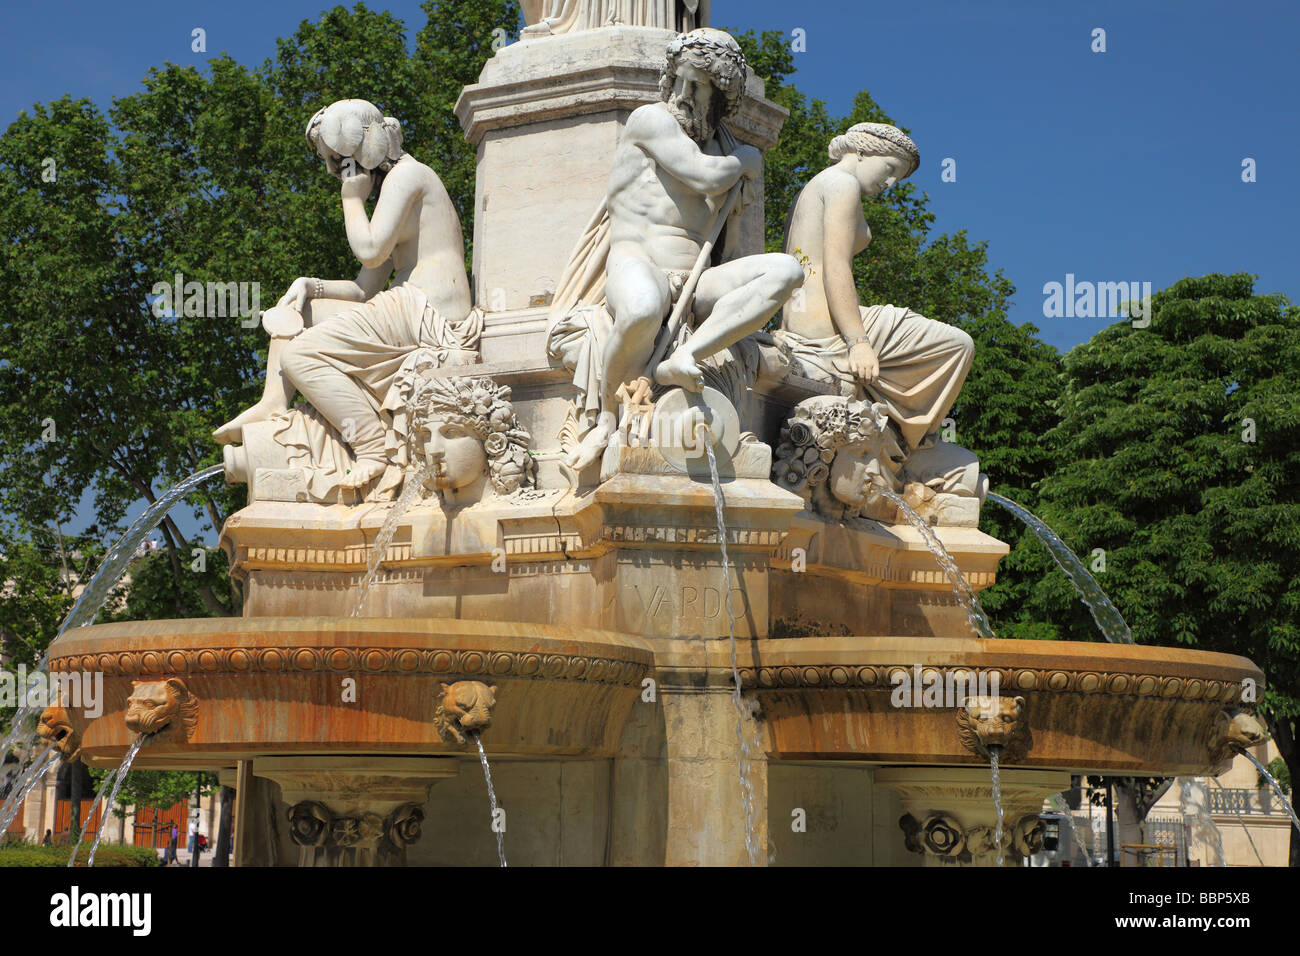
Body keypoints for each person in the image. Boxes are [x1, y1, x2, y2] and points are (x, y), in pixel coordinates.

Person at [550, 29, 803, 470]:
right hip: (638, 260)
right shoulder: (651, 120)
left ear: (721, 94)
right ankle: (609, 415)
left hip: (697, 279)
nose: (683, 94)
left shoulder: (723, 146)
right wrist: (745, 161)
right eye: (679, 81)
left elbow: (738, 247)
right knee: (645, 306)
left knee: (786, 271)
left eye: (698, 86)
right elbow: (701, 175)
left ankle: (688, 354)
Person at [214, 99, 481, 494]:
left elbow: (370, 250)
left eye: (339, 162)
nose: (336, 172)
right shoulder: (398, 183)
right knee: (302, 310)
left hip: (427, 310)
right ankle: (274, 401)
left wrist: (351, 199)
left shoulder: (409, 177)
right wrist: (310, 285)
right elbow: (362, 288)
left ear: (361, 151)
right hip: (405, 303)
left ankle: (373, 446)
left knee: (300, 354)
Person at [779, 122, 979, 495]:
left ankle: (901, 438)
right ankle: (907, 447)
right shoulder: (842, 184)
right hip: (827, 326)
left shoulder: (818, 184)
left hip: (807, 315)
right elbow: (835, 265)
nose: (890, 184)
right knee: (957, 345)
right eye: (890, 170)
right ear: (863, 151)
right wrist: (858, 341)